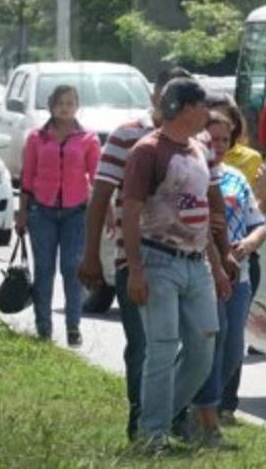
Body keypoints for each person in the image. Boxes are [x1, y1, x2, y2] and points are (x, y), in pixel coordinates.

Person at [121, 78, 229, 452]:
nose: (208, 113)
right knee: (162, 348)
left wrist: (216, 267)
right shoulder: (147, 151)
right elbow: (130, 212)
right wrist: (135, 268)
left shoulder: (200, 149)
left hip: (197, 261)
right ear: (185, 109)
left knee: (202, 351)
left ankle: (161, 419)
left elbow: (203, 213)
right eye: (202, 106)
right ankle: (152, 435)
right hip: (158, 260)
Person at [77, 66, 184, 441]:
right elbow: (101, 195)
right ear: (154, 96)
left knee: (183, 345)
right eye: (167, 94)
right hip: (133, 258)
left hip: (186, 261)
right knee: (142, 344)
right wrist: (91, 256)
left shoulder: (196, 140)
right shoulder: (127, 136)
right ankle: (141, 424)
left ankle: (173, 420)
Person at [189, 111, 266, 441]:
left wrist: (248, 244)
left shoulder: (236, 178)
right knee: (211, 342)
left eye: (225, 139)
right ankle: (201, 415)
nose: (219, 146)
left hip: (240, 275)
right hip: (204, 273)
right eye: (213, 139)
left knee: (234, 347)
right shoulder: (190, 173)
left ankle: (209, 408)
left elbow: (259, 224)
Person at [16, 84, 101, 346]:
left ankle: (73, 326)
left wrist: (105, 211)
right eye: (60, 103)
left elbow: (97, 179)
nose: (65, 108)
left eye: (70, 103)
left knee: (72, 269)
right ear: (51, 106)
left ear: (77, 106)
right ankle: (44, 328)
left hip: (76, 212)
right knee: (44, 270)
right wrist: (22, 212)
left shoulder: (88, 138)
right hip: (41, 211)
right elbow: (27, 177)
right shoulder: (36, 138)